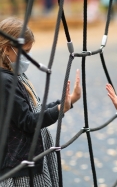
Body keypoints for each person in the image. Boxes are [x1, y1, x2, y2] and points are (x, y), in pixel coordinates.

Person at [0, 17, 81, 186]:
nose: (28, 58)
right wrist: (60, 109)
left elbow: (33, 110)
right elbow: (28, 121)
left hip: (31, 157)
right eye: (25, 52)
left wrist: (67, 101)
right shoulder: (5, 81)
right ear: (7, 49)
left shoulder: (15, 73)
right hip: (20, 167)